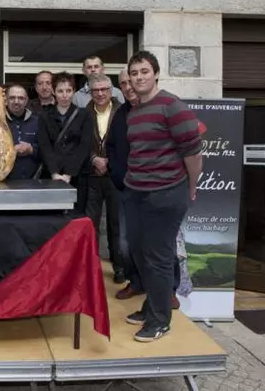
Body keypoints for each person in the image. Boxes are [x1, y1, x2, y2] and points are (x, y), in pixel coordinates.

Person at [123, 51, 202, 343]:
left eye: (144, 71)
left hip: (166, 194)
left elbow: (193, 155)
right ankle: (151, 306)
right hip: (137, 192)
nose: (139, 77)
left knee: (157, 258)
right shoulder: (135, 111)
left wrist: (191, 186)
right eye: (134, 73)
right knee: (140, 253)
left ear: (156, 74)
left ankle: (159, 321)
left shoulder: (173, 107)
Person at [37, 72, 94, 212]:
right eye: (60, 91)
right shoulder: (44, 116)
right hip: (51, 175)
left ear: (73, 91)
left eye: (68, 90)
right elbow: (45, 146)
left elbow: (84, 145)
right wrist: (55, 173)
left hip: (77, 175)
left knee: (76, 217)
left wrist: (69, 173)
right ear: (53, 92)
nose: (65, 95)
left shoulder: (84, 115)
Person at [85, 74, 124, 282]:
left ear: (111, 91)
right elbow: (81, 143)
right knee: (90, 224)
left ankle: (119, 267)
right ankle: (90, 267)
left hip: (115, 175)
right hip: (92, 176)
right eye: (96, 90)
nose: (100, 93)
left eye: (104, 89)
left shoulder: (122, 111)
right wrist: (94, 159)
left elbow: (127, 143)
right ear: (90, 92)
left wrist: (109, 161)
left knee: (115, 224)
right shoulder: (84, 113)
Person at [4, 84, 40, 180]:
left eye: (21, 98)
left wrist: (31, 150)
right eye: (12, 98)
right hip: (4, 182)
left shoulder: (37, 122)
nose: (16, 101)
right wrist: (11, 151)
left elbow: (46, 151)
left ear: (26, 101)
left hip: (32, 181)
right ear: (6, 100)